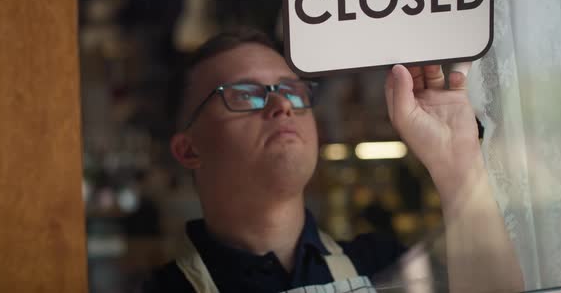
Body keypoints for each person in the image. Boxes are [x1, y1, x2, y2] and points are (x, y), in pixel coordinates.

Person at [143, 28, 524, 293]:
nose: (280, 106)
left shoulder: (384, 265)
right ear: (188, 150)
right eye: (244, 94)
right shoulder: (164, 290)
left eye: (292, 90)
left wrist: (456, 159)